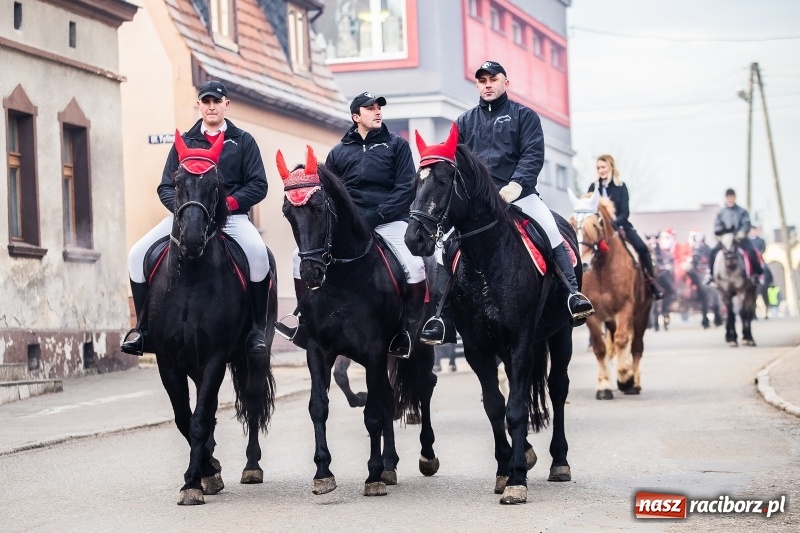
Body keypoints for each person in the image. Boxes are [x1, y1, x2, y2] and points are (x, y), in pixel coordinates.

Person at [420, 60, 594, 345]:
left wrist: (518, 184)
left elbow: (533, 154)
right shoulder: (464, 122)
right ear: (477, 85)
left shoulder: (524, 116)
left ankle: (573, 294)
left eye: (493, 79)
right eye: (482, 81)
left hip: (519, 196)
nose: (488, 85)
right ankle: (443, 317)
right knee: (443, 250)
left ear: (505, 83)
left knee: (552, 232)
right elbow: (455, 163)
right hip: (479, 206)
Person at [121, 81, 271, 356]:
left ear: (227, 105)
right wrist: (182, 210)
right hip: (188, 217)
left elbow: (258, 184)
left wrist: (228, 204)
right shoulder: (184, 142)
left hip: (232, 218)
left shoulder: (243, 141)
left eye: (217, 101)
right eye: (206, 101)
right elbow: (166, 186)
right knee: (136, 254)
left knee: (259, 256)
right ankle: (143, 331)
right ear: (199, 105)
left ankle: (255, 330)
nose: (211, 107)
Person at [276, 92, 426, 359]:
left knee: (414, 264)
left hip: (388, 223)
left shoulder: (397, 146)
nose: (377, 111)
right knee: (297, 259)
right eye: (370, 108)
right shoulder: (338, 153)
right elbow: (331, 193)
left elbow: (406, 188)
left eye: (379, 107)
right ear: (356, 116)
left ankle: (408, 331)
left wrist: (376, 216)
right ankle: (305, 323)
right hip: (351, 228)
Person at [587, 155, 664, 300]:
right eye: (598, 168)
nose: (601, 170)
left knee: (642, 248)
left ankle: (651, 283)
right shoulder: (593, 187)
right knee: (583, 248)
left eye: (603, 167)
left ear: (611, 167)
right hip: (598, 229)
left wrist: (614, 222)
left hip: (619, 225)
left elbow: (625, 212)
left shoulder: (621, 187)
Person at [706, 188, 762, 283]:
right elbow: (717, 226)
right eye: (728, 197)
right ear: (726, 198)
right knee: (712, 253)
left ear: (735, 198)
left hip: (739, 240)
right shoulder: (721, 213)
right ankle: (711, 275)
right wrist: (720, 236)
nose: (730, 199)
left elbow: (746, 224)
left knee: (751, 252)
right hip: (725, 241)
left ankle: (756, 274)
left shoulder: (742, 211)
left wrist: (741, 234)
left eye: (732, 197)